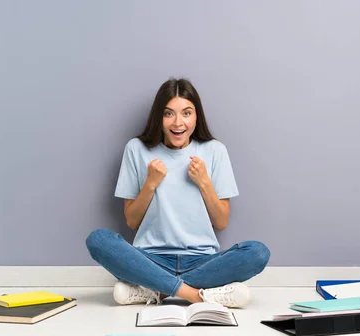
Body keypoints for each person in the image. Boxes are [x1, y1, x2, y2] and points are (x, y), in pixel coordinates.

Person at [86, 78, 270, 308]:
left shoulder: (214, 150)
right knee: (99, 240)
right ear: (159, 118)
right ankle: (197, 295)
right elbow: (131, 221)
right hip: (150, 259)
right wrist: (150, 184)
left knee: (258, 252)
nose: (178, 123)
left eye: (186, 113)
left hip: (203, 261)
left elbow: (221, 221)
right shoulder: (136, 149)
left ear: (196, 116)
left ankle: (156, 291)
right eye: (168, 114)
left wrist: (204, 182)